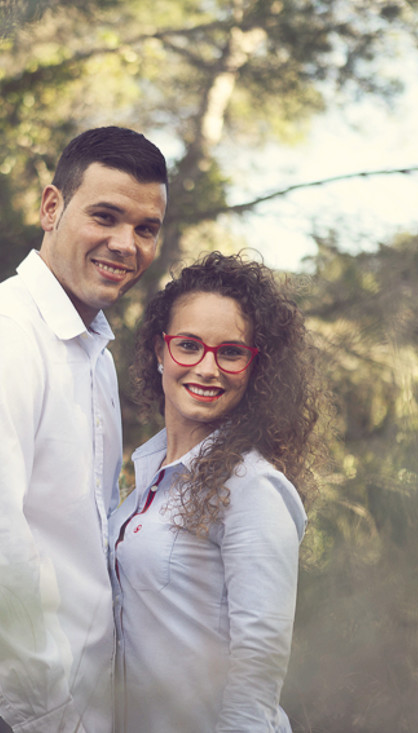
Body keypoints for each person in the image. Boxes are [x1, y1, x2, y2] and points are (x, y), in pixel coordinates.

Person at [0, 127, 168, 733]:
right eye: (106, 216)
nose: (126, 244)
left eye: (145, 228)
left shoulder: (92, 354)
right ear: (51, 207)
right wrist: (55, 708)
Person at [109, 251, 324, 732]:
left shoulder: (253, 488)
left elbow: (258, 671)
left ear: (256, 368)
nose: (207, 369)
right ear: (160, 351)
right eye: (189, 345)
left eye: (230, 352)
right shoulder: (146, 475)